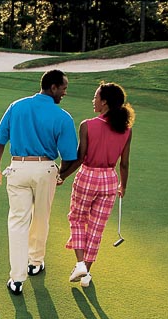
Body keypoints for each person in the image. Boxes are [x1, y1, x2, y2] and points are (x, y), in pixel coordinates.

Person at [0, 69, 78, 295]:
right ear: (53, 87)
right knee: (41, 218)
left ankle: (16, 279)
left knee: (17, 222)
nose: (64, 93)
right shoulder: (63, 117)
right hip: (45, 169)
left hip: (17, 168)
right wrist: (61, 175)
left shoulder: (16, 106)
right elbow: (70, 156)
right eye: (63, 88)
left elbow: (0, 140)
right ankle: (35, 263)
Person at [59, 82, 134, 287]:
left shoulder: (87, 125)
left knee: (77, 218)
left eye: (96, 97)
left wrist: (62, 175)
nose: (93, 100)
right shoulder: (126, 130)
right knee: (96, 228)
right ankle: (86, 274)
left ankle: (80, 264)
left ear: (105, 102)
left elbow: (80, 158)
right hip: (110, 180)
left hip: (88, 177)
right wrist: (123, 186)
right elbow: (124, 163)